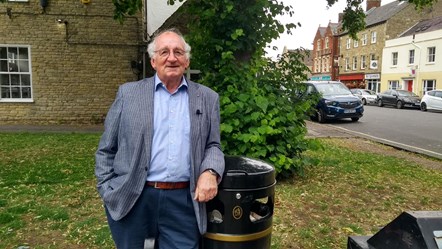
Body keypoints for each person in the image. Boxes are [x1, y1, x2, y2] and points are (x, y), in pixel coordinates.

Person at [95, 28, 225, 249]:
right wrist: (107, 189)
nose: (172, 58)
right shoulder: (128, 94)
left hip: (183, 200)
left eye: (178, 52)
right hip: (133, 197)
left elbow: (213, 145)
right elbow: (107, 148)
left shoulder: (207, 98)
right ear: (153, 61)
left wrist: (210, 171)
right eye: (164, 52)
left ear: (186, 61)